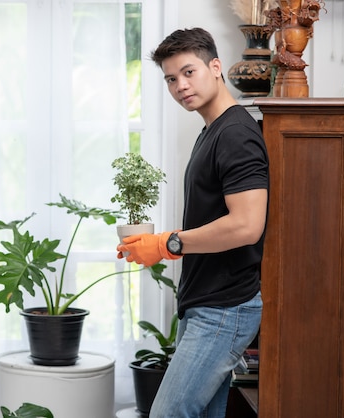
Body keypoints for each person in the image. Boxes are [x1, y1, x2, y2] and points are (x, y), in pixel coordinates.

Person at [116, 27, 268, 418]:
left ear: (215, 67)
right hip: (206, 304)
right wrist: (156, 243)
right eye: (170, 78)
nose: (180, 85)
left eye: (188, 72)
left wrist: (169, 243)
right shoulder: (212, 131)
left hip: (225, 307)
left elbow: (247, 225)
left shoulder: (235, 133)